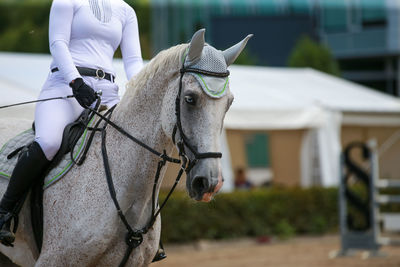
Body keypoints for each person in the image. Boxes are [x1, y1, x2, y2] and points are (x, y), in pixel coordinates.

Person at [0, 0, 143, 246]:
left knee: (135, 146)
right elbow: (58, 43)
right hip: (65, 85)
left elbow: (132, 60)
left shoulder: (126, 10)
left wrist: (140, 91)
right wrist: (75, 82)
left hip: (107, 91)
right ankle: (4, 212)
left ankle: (141, 226)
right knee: (49, 142)